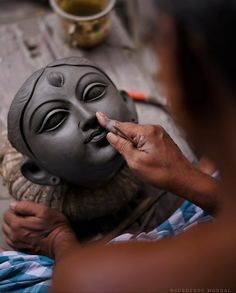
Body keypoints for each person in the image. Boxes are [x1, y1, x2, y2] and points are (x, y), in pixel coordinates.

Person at [2, 0, 236, 291]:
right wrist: (189, 179)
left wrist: (60, 243)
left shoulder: (101, 279)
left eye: (93, 92)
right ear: (38, 170)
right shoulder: (215, 167)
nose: (89, 116)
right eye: (54, 119)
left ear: (130, 106)